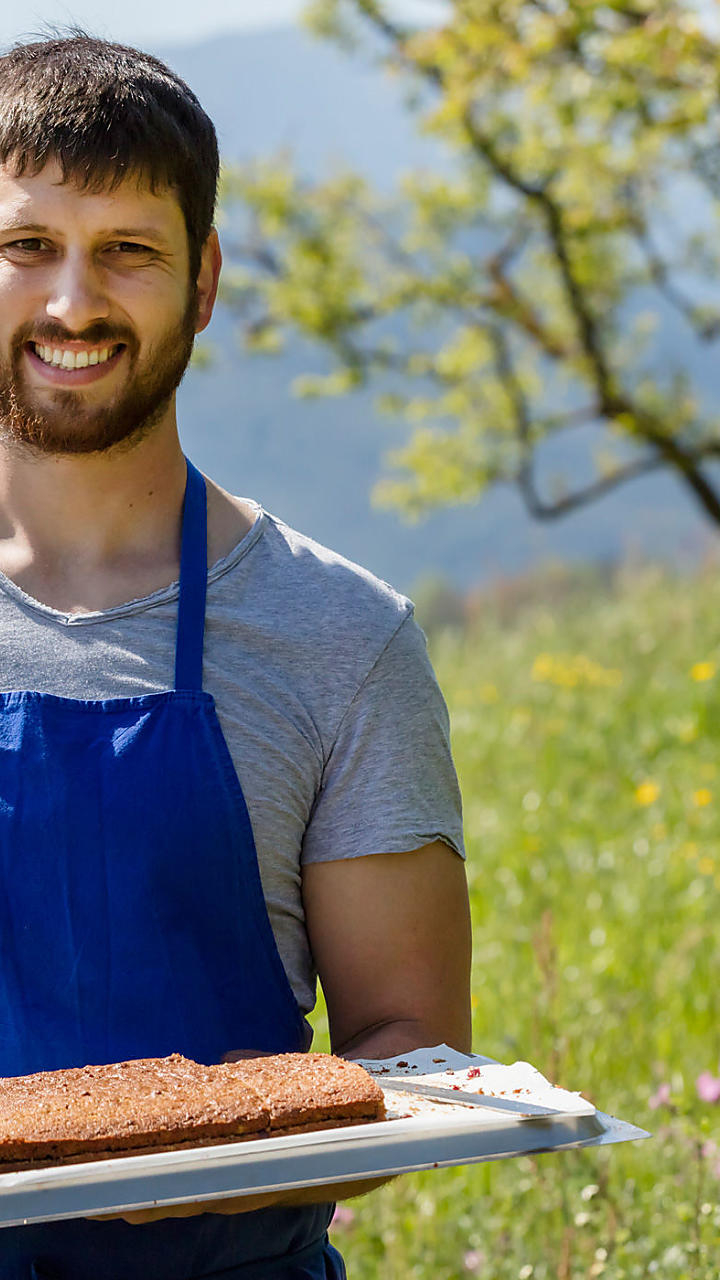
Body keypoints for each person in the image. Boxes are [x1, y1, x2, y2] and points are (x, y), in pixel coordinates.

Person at [0, 30, 472, 1280]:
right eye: (27, 245)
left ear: (203, 280)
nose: (71, 302)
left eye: (128, 253)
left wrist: (214, 1157)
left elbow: (412, 1039)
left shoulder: (344, 638)